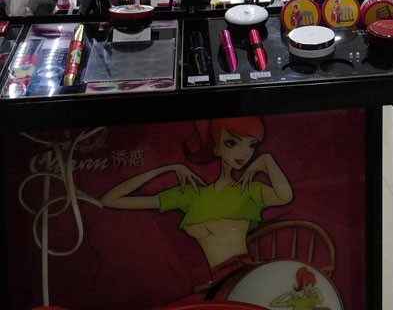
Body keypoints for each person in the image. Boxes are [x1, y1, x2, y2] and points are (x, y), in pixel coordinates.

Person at [101, 117, 294, 290]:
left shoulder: (248, 190)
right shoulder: (190, 194)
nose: (244, 153)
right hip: (220, 282)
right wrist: (169, 168)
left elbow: (285, 196)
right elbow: (110, 199)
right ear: (217, 148)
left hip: (243, 277)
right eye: (232, 143)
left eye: (251, 145)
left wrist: (267, 160)